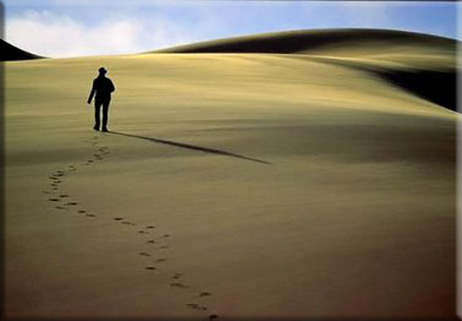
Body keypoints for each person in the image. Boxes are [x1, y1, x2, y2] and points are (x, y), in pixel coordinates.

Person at [87, 67, 115, 132]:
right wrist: (107, 91)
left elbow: (93, 90)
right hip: (106, 98)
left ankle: (97, 126)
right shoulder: (108, 80)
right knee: (104, 112)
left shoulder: (96, 80)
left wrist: (89, 99)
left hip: (98, 98)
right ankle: (104, 127)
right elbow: (113, 89)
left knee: (97, 112)